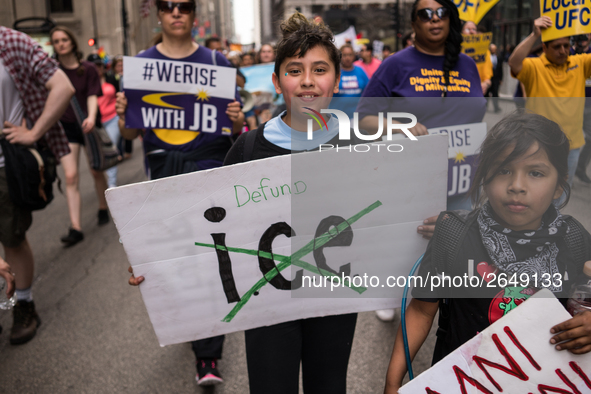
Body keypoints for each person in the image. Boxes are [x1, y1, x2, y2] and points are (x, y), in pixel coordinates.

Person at [384, 111, 591, 394]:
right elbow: (421, 310)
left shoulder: (574, 239)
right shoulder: (453, 233)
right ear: (484, 176)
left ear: (558, 185)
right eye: (503, 170)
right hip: (462, 384)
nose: (517, 185)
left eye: (535, 173)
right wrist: (393, 382)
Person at [222, 13, 365, 393]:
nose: (306, 81)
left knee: (329, 385)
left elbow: (386, 221)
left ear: (335, 79)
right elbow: (211, 227)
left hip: (333, 298)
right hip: (268, 301)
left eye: (319, 69)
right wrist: (156, 267)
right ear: (276, 81)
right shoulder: (248, 148)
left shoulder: (358, 149)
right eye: (294, 70)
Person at [116, 0, 244, 386]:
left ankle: (208, 357)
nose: (176, 12)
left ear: (193, 14)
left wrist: (238, 121)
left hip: (208, 172)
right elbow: (130, 134)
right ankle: (189, 323)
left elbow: (235, 131)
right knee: (177, 263)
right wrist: (124, 118)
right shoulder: (141, 65)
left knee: (208, 261)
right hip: (163, 176)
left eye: (183, 5)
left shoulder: (218, 64)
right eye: (168, 5)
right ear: (157, 12)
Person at [0, 26, 75, 344]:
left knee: (12, 239)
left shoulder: (11, 42)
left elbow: (63, 86)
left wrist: (33, 133)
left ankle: (24, 304)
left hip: (5, 165)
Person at [509, 16, 591, 195]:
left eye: (566, 46)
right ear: (545, 47)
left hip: (572, 145)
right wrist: (533, 35)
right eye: (557, 47)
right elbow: (514, 62)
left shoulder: (580, 63)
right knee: (537, 195)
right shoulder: (534, 65)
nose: (563, 51)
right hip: (540, 144)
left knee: (560, 195)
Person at [50, 26, 110, 247]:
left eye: (64, 39)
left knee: (96, 170)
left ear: (73, 42)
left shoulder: (88, 69)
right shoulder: (52, 71)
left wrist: (92, 117)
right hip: (66, 127)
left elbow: (93, 95)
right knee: (71, 176)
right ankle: (76, 227)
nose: (61, 44)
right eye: (56, 41)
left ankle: (103, 207)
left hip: (89, 123)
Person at [87, 54, 120, 189]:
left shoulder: (111, 78)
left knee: (111, 149)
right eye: (94, 65)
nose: (98, 68)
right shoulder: (87, 83)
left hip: (113, 118)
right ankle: (105, 182)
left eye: (100, 65)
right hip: (97, 123)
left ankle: (111, 183)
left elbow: (119, 94)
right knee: (100, 154)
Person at [571, 34, 591, 184]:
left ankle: (580, 167)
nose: (584, 37)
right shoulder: (568, 52)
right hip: (572, 102)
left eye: (587, 34)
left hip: (589, 104)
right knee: (568, 136)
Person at [333, 44, 369, 118]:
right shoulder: (334, 72)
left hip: (357, 117)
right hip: (337, 117)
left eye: (350, 55)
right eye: (344, 55)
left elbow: (368, 90)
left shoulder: (360, 71)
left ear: (354, 56)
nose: (347, 58)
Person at [462, 21, 493, 95]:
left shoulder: (485, 52)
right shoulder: (454, 50)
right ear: (461, 32)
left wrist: (485, 85)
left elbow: (487, 78)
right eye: (467, 29)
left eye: (474, 29)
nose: (471, 32)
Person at [487, 43, 503, 113]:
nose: (493, 50)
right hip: (488, 78)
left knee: (495, 93)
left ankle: (496, 107)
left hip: (496, 78)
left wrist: (501, 78)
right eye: (492, 49)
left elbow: (500, 69)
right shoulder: (487, 57)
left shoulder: (498, 57)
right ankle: (484, 106)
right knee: (486, 93)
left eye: (494, 49)